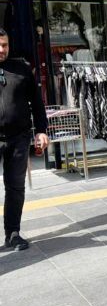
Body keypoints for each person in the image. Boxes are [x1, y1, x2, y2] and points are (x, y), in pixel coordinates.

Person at [0, 29, 49, 251]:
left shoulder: (21, 69)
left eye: (5, 45)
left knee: (16, 187)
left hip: (18, 138)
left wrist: (41, 130)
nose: (2, 50)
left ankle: (13, 233)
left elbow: (37, 103)